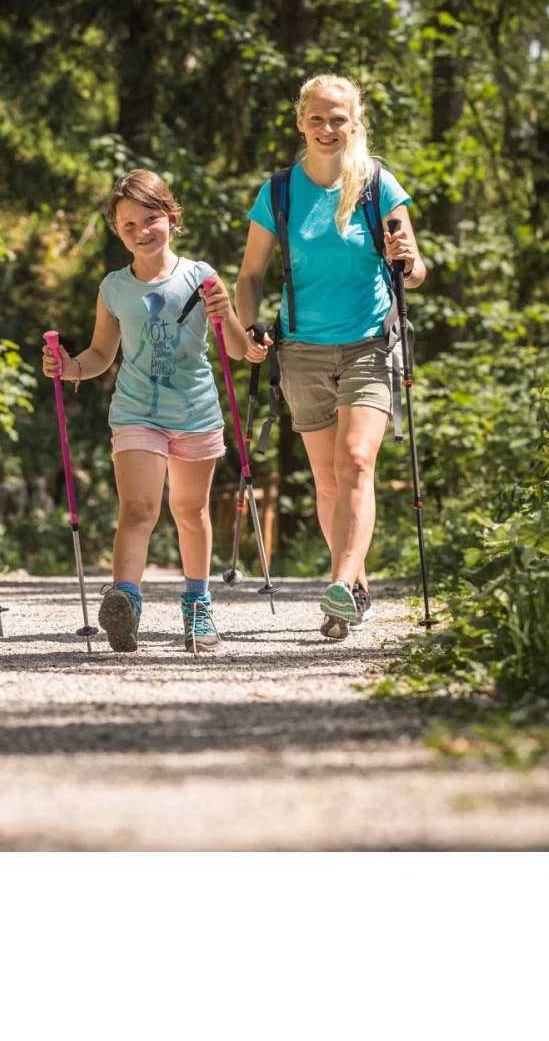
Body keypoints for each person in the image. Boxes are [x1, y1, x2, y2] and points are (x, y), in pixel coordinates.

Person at [234, 73, 426, 640]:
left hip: (370, 343)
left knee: (357, 462)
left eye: (337, 118)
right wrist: (249, 327)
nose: (326, 128)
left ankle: (338, 583)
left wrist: (409, 260)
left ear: (354, 122)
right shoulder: (279, 193)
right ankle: (357, 586)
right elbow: (249, 275)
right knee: (327, 482)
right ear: (300, 122)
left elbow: (414, 272)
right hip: (301, 351)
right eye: (316, 118)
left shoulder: (377, 186)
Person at [41, 170, 265, 654]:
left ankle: (198, 603)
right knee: (139, 508)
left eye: (150, 219)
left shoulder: (200, 276)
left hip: (196, 411)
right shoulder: (113, 287)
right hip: (136, 411)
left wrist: (225, 310)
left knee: (191, 510)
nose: (141, 231)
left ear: (171, 217)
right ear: (117, 231)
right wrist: (69, 367)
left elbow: (236, 350)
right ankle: (125, 600)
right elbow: (101, 355)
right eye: (129, 225)